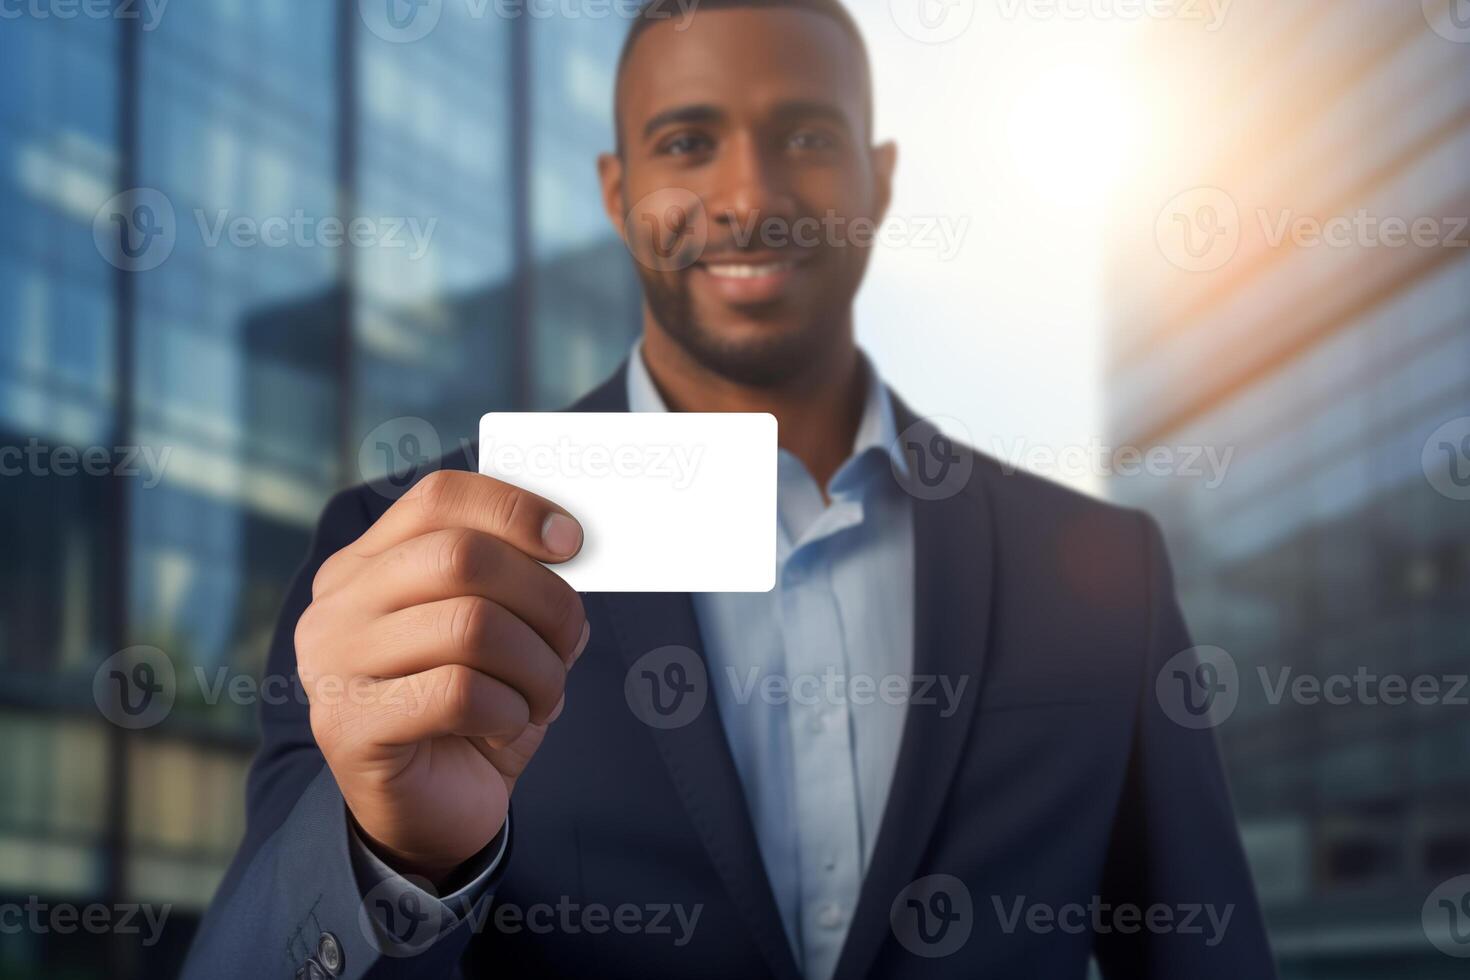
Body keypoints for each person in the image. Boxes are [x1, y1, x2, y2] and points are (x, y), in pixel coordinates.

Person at [184, 1, 1275, 977]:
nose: (749, 196)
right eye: (687, 142)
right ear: (619, 191)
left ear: (879, 177)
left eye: (805, 135)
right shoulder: (406, 549)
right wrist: (391, 852)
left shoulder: (1101, 568)